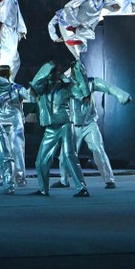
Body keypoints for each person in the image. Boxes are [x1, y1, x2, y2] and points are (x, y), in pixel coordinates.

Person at [49, 0, 135, 59]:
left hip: (88, 23)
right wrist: (55, 37)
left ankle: (131, 4)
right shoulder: (62, 13)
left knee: (84, 55)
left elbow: (110, 4)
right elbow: (52, 24)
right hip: (76, 35)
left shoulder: (91, 2)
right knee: (81, 57)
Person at [66, 60, 131, 189]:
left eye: (81, 70)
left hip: (90, 124)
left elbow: (108, 87)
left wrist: (121, 95)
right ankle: (63, 179)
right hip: (73, 124)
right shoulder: (67, 85)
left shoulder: (91, 82)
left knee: (98, 149)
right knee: (68, 153)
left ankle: (109, 179)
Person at [28, 61, 86, 197]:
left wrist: (78, 77)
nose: (53, 74)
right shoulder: (42, 87)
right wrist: (46, 69)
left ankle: (81, 188)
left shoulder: (67, 85)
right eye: (50, 72)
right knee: (41, 160)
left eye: (55, 71)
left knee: (69, 156)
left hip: (65, 124)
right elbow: (33, 89)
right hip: (50, 127)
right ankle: (43, 190)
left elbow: (81, 94)